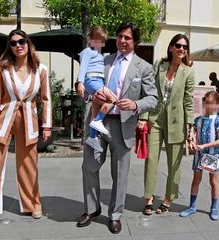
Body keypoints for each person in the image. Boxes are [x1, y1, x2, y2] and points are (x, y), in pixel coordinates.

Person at [76, 21, 158, 234]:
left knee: (120, 174)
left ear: (135, 41)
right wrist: (89, 93)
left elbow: (153, 99)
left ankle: (115, 215)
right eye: (120, 36)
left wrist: (136, 105)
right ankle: (92, 209)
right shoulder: (103, 60)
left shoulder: (144, 67)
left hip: (124, 125)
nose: (122, 40)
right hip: (98, 121)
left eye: (127, 37)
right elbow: (88, 83)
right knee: (89, 167)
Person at [0, 29, 52, 228]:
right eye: (13, 43)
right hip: (3, 119)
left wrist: (47, 124)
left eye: (21, 41)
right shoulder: (3, 68)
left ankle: (33, 203)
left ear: (28, 43)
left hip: (29, 119)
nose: (18, 46)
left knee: (29, 164)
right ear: (10, 47)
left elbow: (46, 99)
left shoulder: (41, 69)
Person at [139, 34, 195, 216]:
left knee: (174, 165)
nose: (181, 49)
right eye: (178, 45)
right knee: (151, 160)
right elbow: (148, 92)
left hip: (177, 122)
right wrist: (144, 116)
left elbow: (188, 101)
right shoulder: (159, 66)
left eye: (185, 47)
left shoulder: (188, 71)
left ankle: (168, 199)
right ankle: (148, 198)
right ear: (171, 47)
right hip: (155, 119)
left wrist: (190, 125)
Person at [179, 90, 219, 221]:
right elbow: (192, 134)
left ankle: (214, 208)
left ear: (217, 105)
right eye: (207, 102)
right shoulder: (198, 119)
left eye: (211, 103)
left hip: (212, 155)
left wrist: (204, 146)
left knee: (213, 181)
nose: (208, 105)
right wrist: (191, 139)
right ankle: (192, 206)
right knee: (196, 180)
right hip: (199, 156)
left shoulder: (218, 119)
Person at [77, 26, 118, 152]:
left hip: (97, 81)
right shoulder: (88, 52)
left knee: (96, 108)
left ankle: (93, 137)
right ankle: (99, 120)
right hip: (92, 80)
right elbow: (83, 67)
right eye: (96, 40)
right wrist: (80, 82)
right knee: (113, 98)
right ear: (90, 39)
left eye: (102, 41)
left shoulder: (98, 53)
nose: (99, 44)